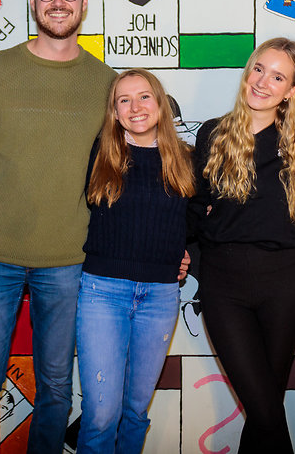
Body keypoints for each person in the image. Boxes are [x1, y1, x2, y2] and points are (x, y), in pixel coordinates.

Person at [0, 0, 117, 454]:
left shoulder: (107, 84)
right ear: (32, 0)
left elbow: (121, 175)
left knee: (57, 388)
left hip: (67, 259)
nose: (58, 1)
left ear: (84, 1)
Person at [188, 37, 295, 454]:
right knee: (265, 408)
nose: (262, 82)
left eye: (278, 77)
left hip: (284, 284)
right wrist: (174, 248)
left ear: (292, 90)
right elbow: (194, 206)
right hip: (223, 284)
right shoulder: (213, 133)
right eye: (258, 69)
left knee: (266, 406)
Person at [76, 69, 194, 454]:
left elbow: (199, 221)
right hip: (102, 293)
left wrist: (186, 253)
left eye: (144, 96)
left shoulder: (186, 159)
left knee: (136, 411)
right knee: (100, 415)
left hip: (160, 297)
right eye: (123, 100)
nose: (135, 107)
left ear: (160, 103)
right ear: (114, 111)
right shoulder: (100, 153)